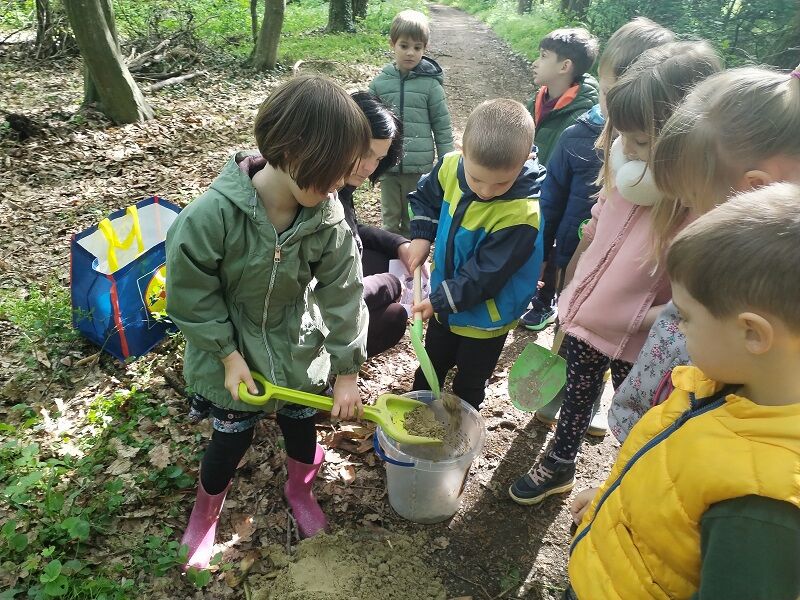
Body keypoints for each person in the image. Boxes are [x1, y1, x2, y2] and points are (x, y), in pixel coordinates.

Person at [166, 76, 370, 570]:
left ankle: (299, 491)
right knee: (229, 439)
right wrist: (227, 355)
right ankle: (205, 514)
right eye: (333, 172)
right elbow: (191, 294)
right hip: (233, 351)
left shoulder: (327, 219)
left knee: (302, 428)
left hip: (295, 344)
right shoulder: (212, 215)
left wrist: (347, 369)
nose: (341, 185)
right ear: (293, 152)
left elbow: (344, 291)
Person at [508, 42, 723, 506]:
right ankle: (560, 462)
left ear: (687, 140)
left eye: (642, 142)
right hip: (589, 321)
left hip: (641, 342)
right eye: (623, 137)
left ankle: (626, 483)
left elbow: (698, 293)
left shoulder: (698, 208)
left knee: (639, 415)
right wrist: (571, 283)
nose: (627, 149)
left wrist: (646, 318)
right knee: (577, 394)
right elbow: (596, 226)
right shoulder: (625, 170)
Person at [566, 184, 800, 600]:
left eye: (685, 317)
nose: (675, 328)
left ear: (752, 333)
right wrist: (611, 502)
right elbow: (674, 486)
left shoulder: (761, 510)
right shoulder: (718, 384)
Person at [608, 63, 800, 443]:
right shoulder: (742, 249)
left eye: (695, 199)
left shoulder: (769, 280)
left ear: (754, 188)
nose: (690, 211)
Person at [521, 18, 675, 437]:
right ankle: (562, 398)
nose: (614, 106)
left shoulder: (674, 174)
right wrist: (552, 257)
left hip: (630, 301)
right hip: (579, 259)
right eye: (608, 91)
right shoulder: (582, 136)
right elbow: (558, 202)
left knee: (609, 356)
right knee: (572, 336)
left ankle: (590, 405)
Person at [406, 98, 546, 410]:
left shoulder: (522, 214)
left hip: (487, 319)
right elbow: (426, 198)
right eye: (477, 179)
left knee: (470, 381)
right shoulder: (450, 167)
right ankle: (418, 415)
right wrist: (422, 235)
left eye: (501, 183)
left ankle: (461, 425)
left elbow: (486, 275)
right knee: (430, 365)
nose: (485, 191)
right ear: (462, 151)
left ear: (525, 159)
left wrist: (439, 300)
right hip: (445, 303)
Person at [368, 9, 454, 236]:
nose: (410, 53)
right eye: (404, 45)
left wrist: (447, 163)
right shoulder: (379, 84)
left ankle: (409, 255)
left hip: (418, 167)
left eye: (417, 47)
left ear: (425, 48)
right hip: (387, 164)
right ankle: (389, 253)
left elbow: (442, 127)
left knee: (412, 218)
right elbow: (368, 123)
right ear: (392, 44)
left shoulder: (431, 86)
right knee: (389, 218)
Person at [339, 91, 411, 357]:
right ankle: (330, 365)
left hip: (337, 292)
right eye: (364, 154)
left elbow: (351, 229)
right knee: (394, 317)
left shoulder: (342, 187)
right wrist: (390, 284)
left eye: (379, 159)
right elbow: (328, 296)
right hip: (317, 314)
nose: (370, 167)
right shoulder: (317, 193)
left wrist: (399, 243)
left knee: (384, 257)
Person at [526, 27, 599, 167]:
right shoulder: (535, 101)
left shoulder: (580, 118)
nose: (535, 63)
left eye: (543, 56)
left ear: (564, 66)